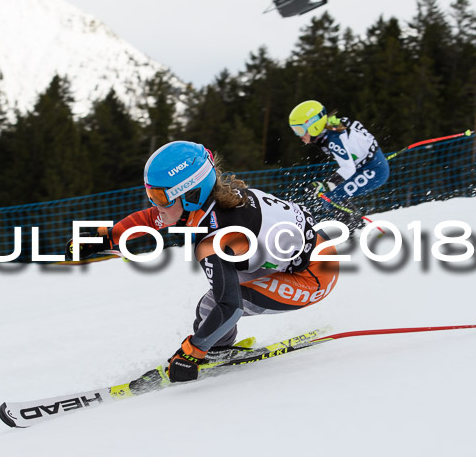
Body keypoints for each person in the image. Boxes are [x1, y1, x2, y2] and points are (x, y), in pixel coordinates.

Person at [66, 141, 339, 383]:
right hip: (297, 255)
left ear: (191, 194)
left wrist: (192, 352)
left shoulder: (217, 236)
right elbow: (151, 219)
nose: (154, 203)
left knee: (217, 304)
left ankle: (215, 349)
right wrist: (105, 238)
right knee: (214, 303)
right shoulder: (200, 206)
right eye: (151, 194)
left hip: (314, 276)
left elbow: (229, 306)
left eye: (160, 196)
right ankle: (218, 347)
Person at [288, 100, 389, 228]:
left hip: (374, 170)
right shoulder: (332, 125)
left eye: (299, 130)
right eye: (295, 130)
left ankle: (354, 231)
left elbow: (348, 168)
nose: (298, 135)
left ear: (313, 125)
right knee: (333, 196)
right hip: (368, 165)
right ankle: (358, 227)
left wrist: (323, 186)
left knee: (331, 197)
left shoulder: (333, 140)